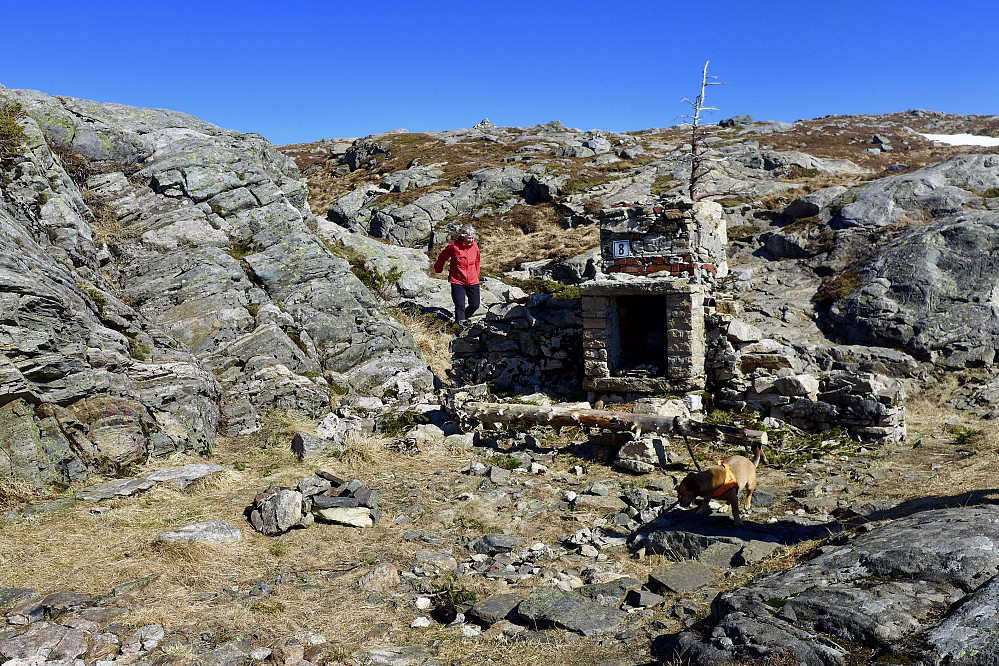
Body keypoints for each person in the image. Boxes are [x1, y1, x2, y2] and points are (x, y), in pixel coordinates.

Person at [433, 224, 481, 322]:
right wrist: (438, 269)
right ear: (463, 237)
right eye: (469, 238)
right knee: (460, 307)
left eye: (473, 238)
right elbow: (442, 257)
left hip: (473, 280)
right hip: (457, 281)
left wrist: (476, 274)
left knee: (475, 305)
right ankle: (459, 328)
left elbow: (477, 261)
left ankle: (463, 319)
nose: (471, 240)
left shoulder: (475, 246)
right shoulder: (454, 246)